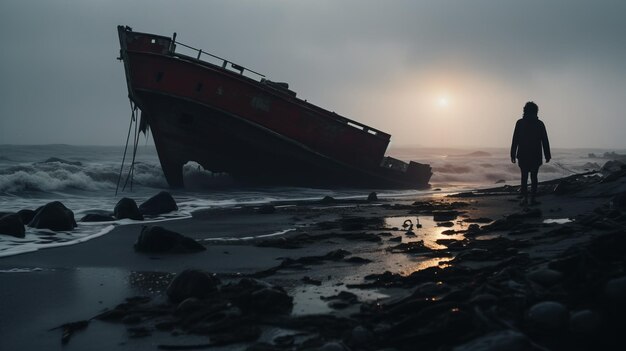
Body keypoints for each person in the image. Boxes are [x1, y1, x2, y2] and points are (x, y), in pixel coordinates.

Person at [510, 101, 551, 206]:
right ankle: (532, 199)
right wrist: (547, 154)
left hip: (523, 154)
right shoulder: (539, 124)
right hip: (535, 155)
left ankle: (525, 198)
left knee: (524, 177)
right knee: (534, 177)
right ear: (536, 112)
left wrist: (513, 154)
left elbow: (515, 140)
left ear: (525, 111)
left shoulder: (520, 123)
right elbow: (544, 140)